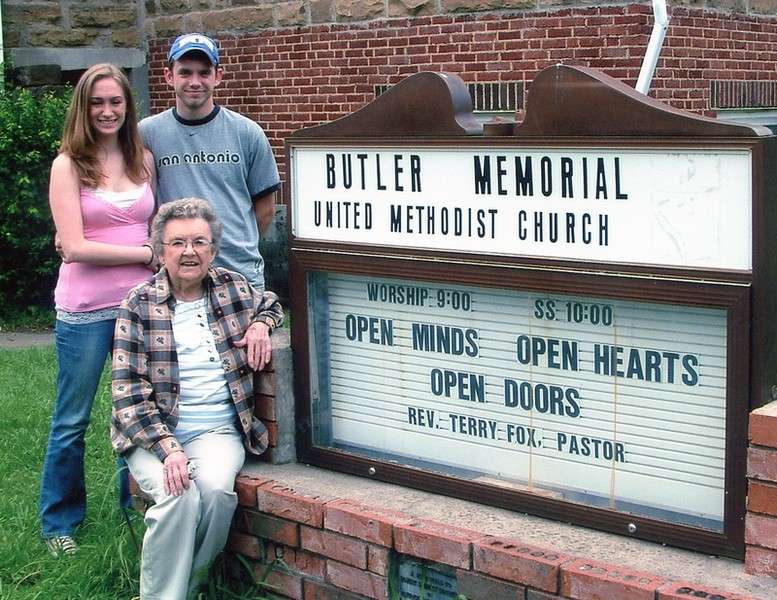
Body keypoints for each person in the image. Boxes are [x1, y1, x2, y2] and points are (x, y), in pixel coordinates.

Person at [111, 198, 283, 600]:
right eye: (177, 243)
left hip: (217, 430)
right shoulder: (137, 304)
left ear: (213, 248)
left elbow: (272, 303)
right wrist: (169, 449)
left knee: (217, 494)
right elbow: (127, 395)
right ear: (160, 251)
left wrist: (260, 324)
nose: (189, 252)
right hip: (152, 433)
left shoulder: (232, 287)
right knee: (179, 497)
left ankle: (188, 588)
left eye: (199, 242)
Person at [40, 63, 157, 556]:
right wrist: (145, 254)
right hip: (85, 309)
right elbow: (74, 247)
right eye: (97, 103)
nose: (107, 111)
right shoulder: (67, 165)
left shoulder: (143, 160)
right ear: (83, 108)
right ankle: (59, 523)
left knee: (136, 412)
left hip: (140, 308)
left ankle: (133, 509)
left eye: (115, 101)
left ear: (128, 105)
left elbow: (157, 227)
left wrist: (158, 253)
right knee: (73, 420)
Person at [139, 33, 281, 292]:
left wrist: (234, 245)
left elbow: (265, 210)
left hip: (239, 275)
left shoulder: (247, 133)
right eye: (185, 72)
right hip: (177, 277)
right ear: (169, 76)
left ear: (218, 76)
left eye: (204, 73)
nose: (195, 82)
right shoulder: (147, 133)